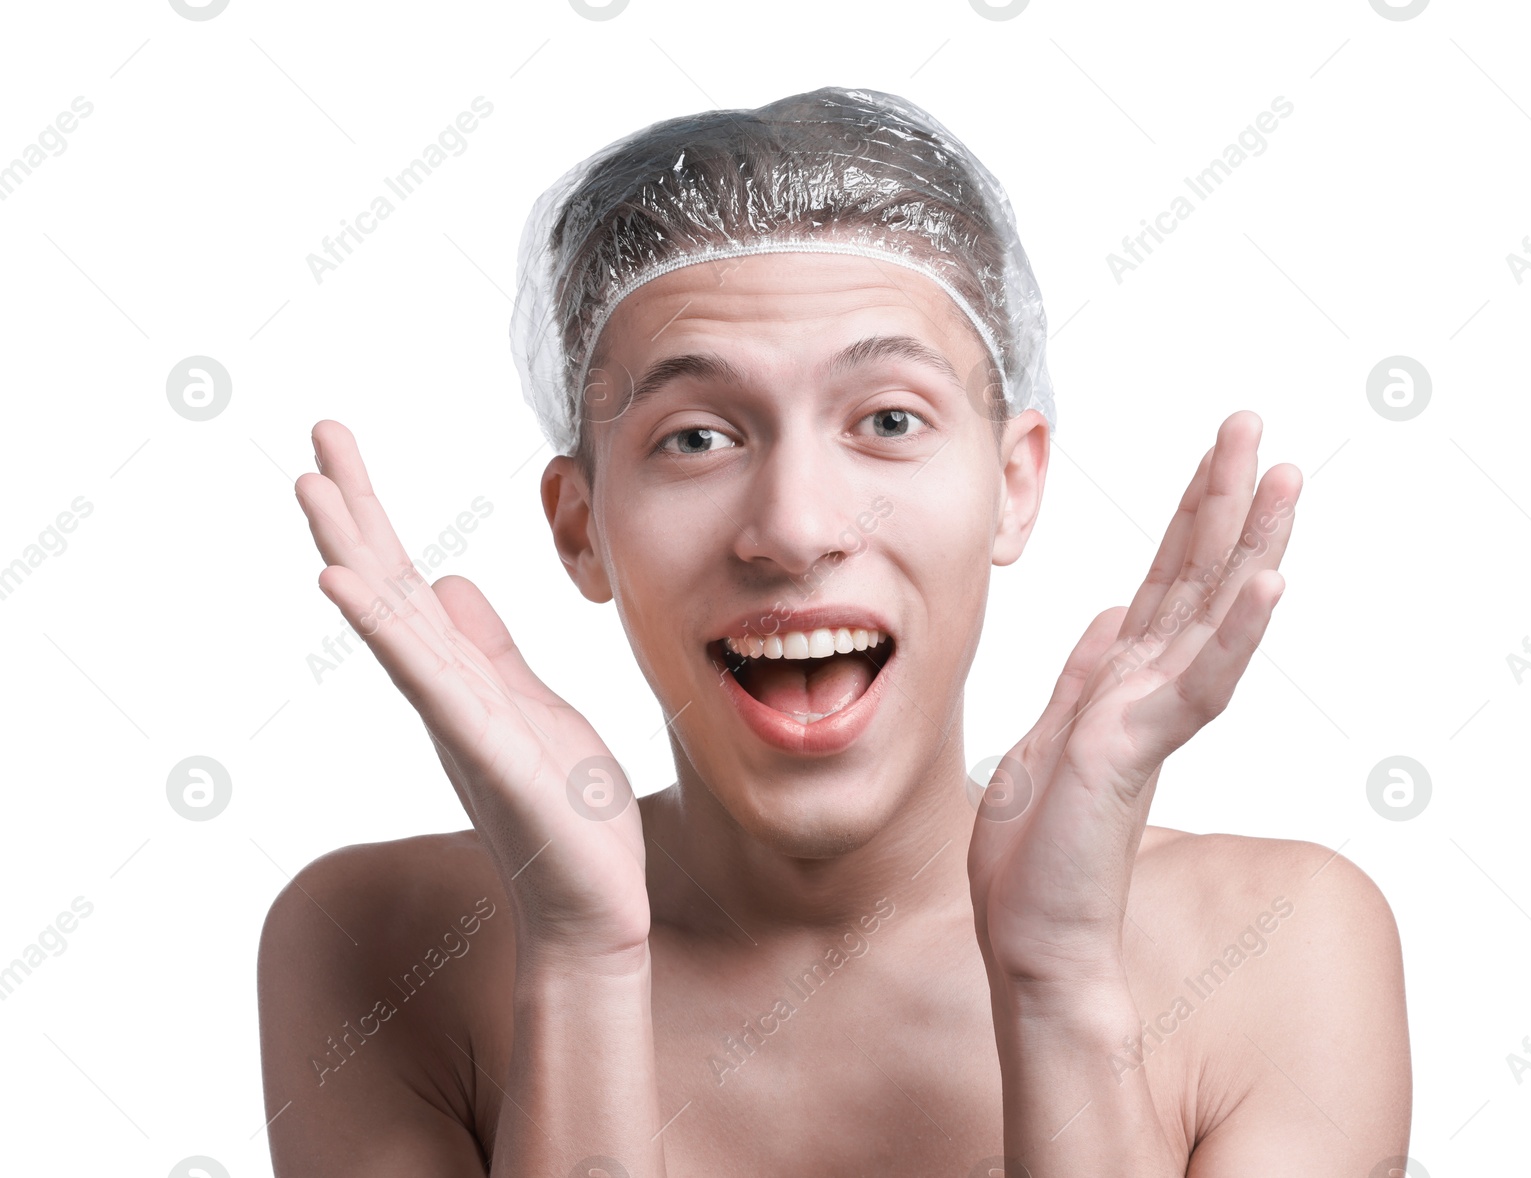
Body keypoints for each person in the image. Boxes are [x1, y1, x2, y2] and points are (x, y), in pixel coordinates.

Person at [259, 86, 1410, 1177]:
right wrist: (580, 954)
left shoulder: (1279, 946)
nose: (797, 527)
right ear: (581, 528)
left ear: (1012, 483)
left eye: (889, 419)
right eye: (697, 437)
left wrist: (1057, 978)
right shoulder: (374, 946)